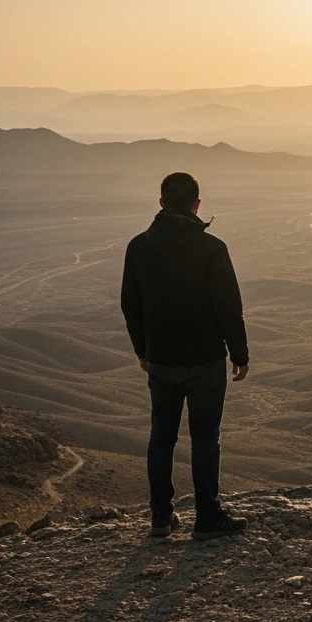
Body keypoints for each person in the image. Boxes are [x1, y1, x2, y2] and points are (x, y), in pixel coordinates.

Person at [121, 172, 250, 540]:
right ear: (197, 205)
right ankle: (208, 517)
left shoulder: (138, 247)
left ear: (161, 204)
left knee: (161, 437)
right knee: (205, 438)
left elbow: (130, 305)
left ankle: (160, 517)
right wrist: (239, 354)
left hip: (160, 358)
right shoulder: (211, 248)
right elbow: (229, 307)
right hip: (205, 359)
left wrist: (143, 351)